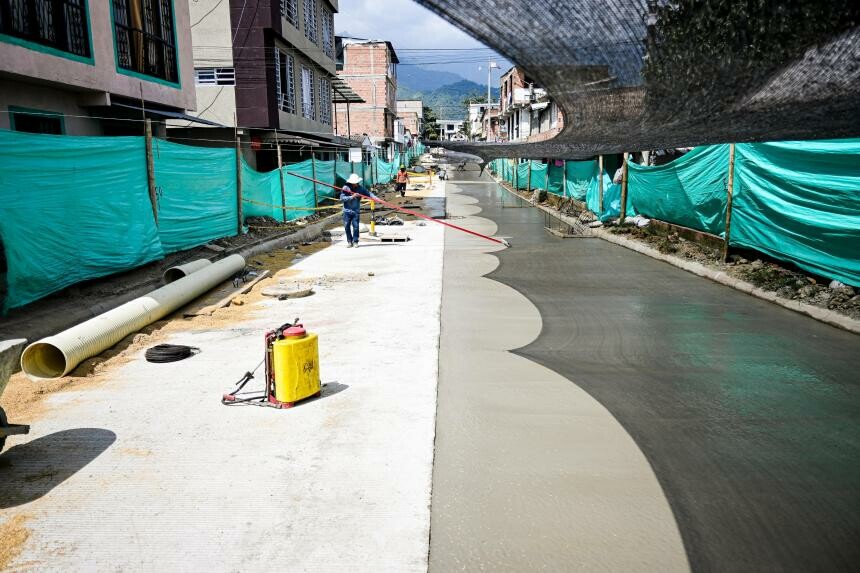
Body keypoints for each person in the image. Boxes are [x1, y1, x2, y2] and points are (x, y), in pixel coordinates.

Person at [340, 173, 378, 248]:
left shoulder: (360, 189)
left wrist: (376, 199)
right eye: (354, 183)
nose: (356, 184)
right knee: (347, 226)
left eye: (357, 183)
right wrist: (352, 196)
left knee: (356, 227)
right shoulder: (345, 188)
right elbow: (342, 198)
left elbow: (369, 194)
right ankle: (349, 241)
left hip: (355, 211)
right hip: (347, 211)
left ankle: (355, 241)